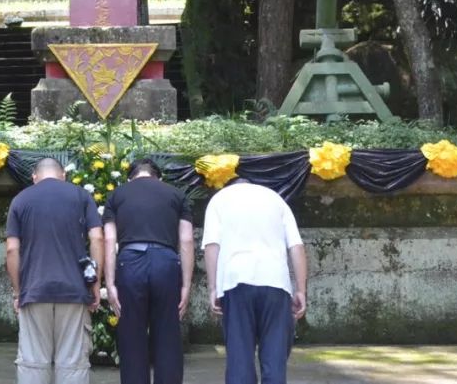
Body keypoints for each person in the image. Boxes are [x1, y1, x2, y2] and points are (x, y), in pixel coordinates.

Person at [6, 156, 103, 384]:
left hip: (34, 289)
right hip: (74, 289)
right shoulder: (81, 196)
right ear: (63, 175)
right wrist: (95, 283)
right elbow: (97, 238)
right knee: (72, 360)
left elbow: (12, 249)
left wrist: (18, 292)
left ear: (34, 178)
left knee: (33, 360)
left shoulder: (21, 199)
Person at [202, 177, 308, 384]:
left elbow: (211, 245)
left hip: (236, 282)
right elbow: (296, 246)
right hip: (276, 282)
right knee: (275, 359)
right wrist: (301, 290)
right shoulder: (275, 199)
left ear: (230, 185)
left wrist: (213, 288)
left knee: (239, 359)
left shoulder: (219, 199)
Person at [102, 157, 194, 384]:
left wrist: (110, 284)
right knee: (168, 336)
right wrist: (186, 285)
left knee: (132, 336)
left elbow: (109, 240)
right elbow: (187, 240)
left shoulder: (117, 195)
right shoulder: (176, 194)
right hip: (166, 262)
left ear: (130, 177)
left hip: (130, 263)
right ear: (158, 177)